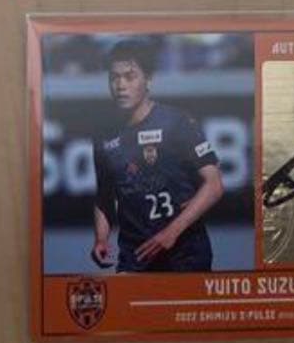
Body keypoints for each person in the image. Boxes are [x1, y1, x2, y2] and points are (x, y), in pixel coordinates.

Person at [91, 39, 223, 272]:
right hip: (135, 258)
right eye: (114, 78)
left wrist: (171, 233)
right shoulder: (103, 135)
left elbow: (214, 185)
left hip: (185, 255)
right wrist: (101, 238)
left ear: (148, 79)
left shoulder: (176, 123)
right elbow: (104, 195)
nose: (120, 85)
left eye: (130, 77)